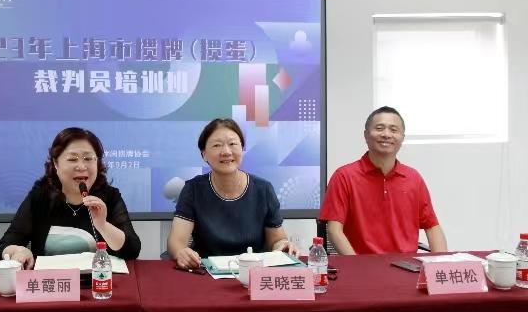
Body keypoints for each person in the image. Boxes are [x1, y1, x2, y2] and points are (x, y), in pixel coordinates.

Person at [0, 127, 141, 269]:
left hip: (98, 282)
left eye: (88, 158)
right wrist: (18, 251)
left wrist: (103, 225)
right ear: (56, 164)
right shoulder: (40, 197)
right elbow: (3, 246)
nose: (81, 166)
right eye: (72, 159)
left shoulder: (109, 196)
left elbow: (132, 250)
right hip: (53, 282)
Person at [167, 118, 296, 269]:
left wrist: (283, 245)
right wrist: (181, 253)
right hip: (206, 272)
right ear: (204, 154)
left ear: (242, 149)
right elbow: (176, 242)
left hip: (253, 272)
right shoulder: (193, 189)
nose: (226, 152)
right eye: (217, 145)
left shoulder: (263, 189)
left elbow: (276, 241)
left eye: (233, 144)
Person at [319, 106, 447, 255]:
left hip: (408, 266)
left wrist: (441, 262)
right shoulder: (344, 176)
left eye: (393, 130)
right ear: (366, 135)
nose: (386, 134)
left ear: (402, 138)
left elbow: (432, 227)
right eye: (379, 128)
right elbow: (334, 230)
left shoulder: (413, 178)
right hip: (362, 265)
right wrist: (358, 264)